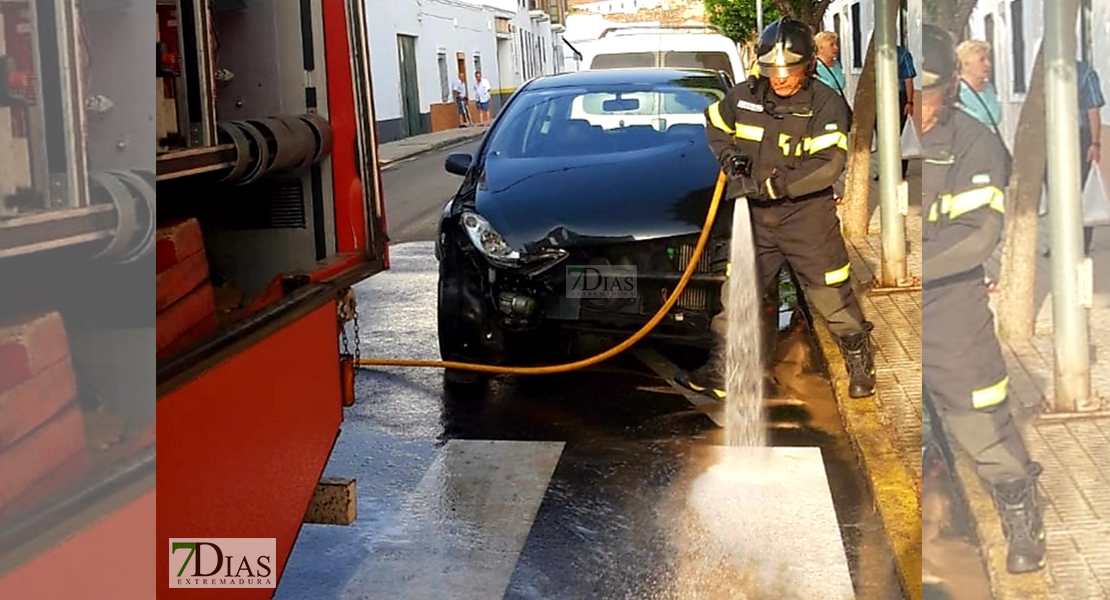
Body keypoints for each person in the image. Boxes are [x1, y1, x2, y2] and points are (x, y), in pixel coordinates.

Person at [676, 17, 876, 399]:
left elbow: (829, 166)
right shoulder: (745, 95)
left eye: (790, 71)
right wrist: (730, 156)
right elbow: (715, 124)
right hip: (755, 219)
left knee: (830, 293)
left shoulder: (826, 104)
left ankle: (858, 358)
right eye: (773, 71)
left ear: (809, 66)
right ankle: (724, 369)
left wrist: (772, 186)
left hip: (806, 218)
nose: (781, 79)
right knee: (740, 293)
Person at [920, 23, 1045, 575]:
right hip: (903, 305)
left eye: (928, 91)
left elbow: (977, 236)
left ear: (948, 88)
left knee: (979, 418)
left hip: (950, 304)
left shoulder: (974, 143)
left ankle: (1019, 507)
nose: (918, 105)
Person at [956, 40, 1003, 135]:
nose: (988, 64)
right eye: (982, 60)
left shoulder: (989, 88)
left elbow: (995, 117)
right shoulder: (956, 91)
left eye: (988, 59)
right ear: (966, 65)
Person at [814, 31, 847, 99]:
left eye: (836, 44)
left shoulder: (836, 64)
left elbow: (841, 84)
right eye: (831, 45)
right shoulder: (814, 66)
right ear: (821, 48)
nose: (836, 48)